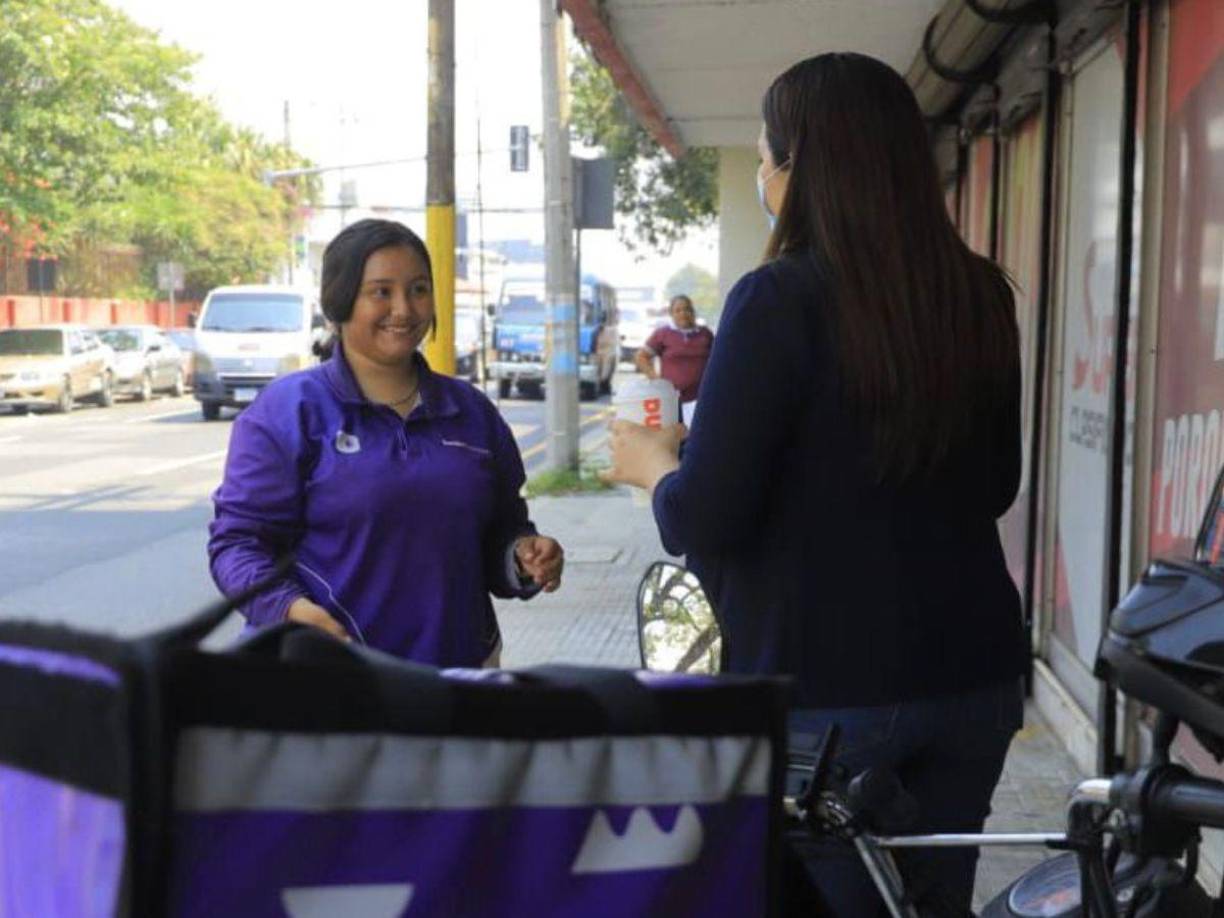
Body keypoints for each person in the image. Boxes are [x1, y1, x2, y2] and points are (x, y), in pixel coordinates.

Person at [605, 53, 1026, 914]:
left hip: (824, 695)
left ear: (801, 167)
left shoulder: (775, 301)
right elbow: (995, 485)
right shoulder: (980, 294)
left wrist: (656, 465)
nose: (761, 175)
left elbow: (705, 518)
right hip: (975, 674)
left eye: (765, 157)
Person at [208, 219, 563, 667]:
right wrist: (291, 611)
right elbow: (237, 545)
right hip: (331, 680)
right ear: (340, 300)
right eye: (381, 292)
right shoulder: (289, 411)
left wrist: (523, 557)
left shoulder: (472, 413)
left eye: (418, 289)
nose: (404, 309)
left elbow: (501, 531)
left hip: (460, 680)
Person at [634, 294, 714, 417]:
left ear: (693, 312)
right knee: (676, 434)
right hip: (672, 399)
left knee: (698, 434)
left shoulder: (705, 333)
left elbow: (717, 360)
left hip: (702, 399)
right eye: (678, 310)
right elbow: (641, 357)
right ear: (671, 314)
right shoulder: (663, 334)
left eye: (687, 309)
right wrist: (656, 379)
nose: (683, 313)